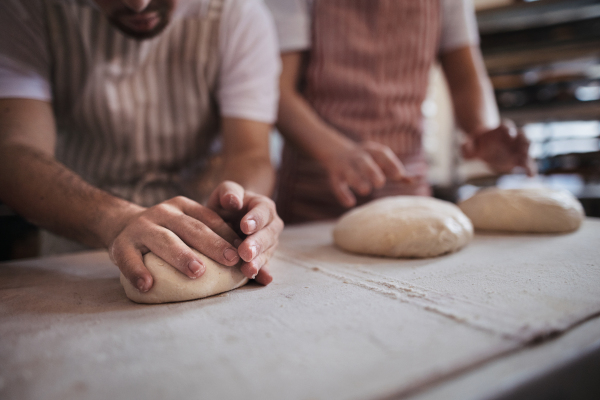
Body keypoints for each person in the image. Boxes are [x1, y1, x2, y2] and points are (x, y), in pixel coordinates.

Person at [0, 0, 284, 291]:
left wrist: (240, 213)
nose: (139, 4)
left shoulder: (237, 15)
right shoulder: (27, 9)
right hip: (74, 251)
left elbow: (250, 152)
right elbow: (13, 151)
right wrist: (116, 220)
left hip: (203, 243)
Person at [265, 0, 536, 224]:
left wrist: (482, 130)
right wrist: (336, 152)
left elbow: (466, 80)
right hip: (315, 194)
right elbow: (278, 91)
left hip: (409, 190)